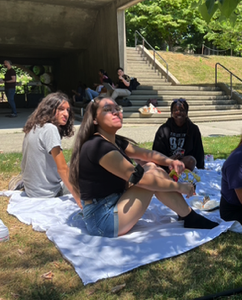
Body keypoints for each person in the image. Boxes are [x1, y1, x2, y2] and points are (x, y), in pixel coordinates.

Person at [68, 96, 218, 238]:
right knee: (149, 178)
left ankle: (185, 214)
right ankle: (189, 216)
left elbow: (146, 154)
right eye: (107, 109)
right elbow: (140, 179)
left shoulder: (112, 141)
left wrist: (169, 162)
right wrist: (179, 187)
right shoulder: (98, 146)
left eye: (117, 108)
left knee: (152, 167)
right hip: (102, 220)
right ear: (94, 119)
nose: (116, 112)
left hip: (113, 202)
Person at [21, 92, 81, 208]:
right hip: (48, 193)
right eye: (61, 109)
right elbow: (62, 169)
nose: (66, 114)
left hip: (32, 190)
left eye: (68, 110)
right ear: (49, 109)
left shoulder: (34, 126)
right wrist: (78, 198)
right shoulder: (50, 129)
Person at [152, 98, 204, 171]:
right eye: (175, 110)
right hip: (168, 161)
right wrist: (172, 158)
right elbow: (156, 153)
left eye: (182, 110)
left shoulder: (193, 129)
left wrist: (201, 167)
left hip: (185, 163)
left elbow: (199, 151)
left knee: (191, 160)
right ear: (172, 112)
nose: (179, 112)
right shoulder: (163, 129)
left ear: (186, 113)